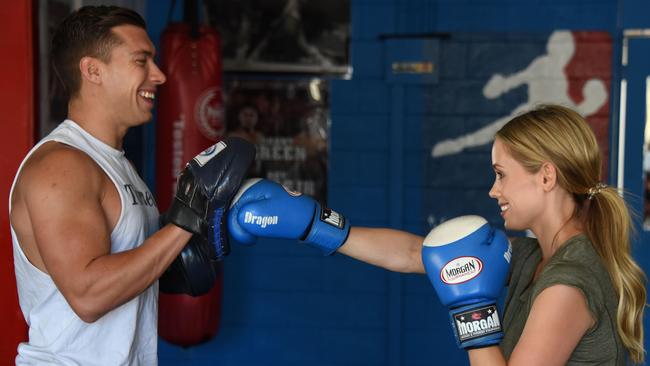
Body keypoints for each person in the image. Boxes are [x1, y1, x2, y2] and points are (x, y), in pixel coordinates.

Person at [226, 104, 646, 365]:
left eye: (501, 175)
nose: (493, 190)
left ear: (546, 176)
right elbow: (415, 254)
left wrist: (474, 310)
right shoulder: (537, 256)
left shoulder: (568, 282)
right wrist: (315, 226)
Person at [9, 6, 255, 365]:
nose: (159, 75)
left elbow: (121, 266)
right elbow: (89, 296)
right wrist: (184, 221)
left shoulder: (117, 165)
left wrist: (180, 253)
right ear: (93, 70)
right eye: (142, 61)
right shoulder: (62, 166)